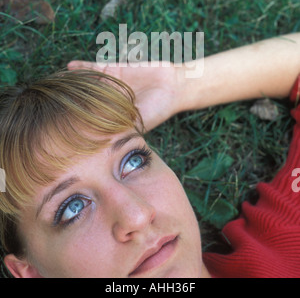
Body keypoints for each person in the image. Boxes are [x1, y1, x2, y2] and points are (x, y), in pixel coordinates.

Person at [0, 32, 300, 278]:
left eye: (133, 162)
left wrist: (181, 86)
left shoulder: (284, 245)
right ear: (32, 274)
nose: (138, 216)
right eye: (72, 207)